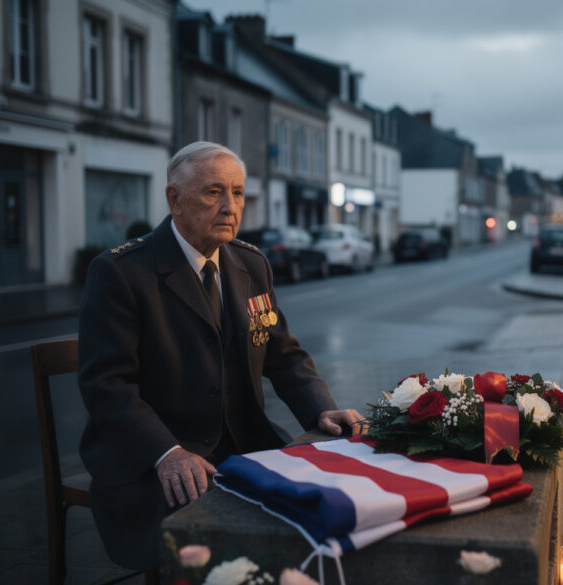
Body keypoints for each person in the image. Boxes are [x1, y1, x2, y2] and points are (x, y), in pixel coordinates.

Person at [78, 141, 366, 571]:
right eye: (214, 192)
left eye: (238, 193)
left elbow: (284, 355)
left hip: (244, 445)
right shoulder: (122, 273)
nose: (231, 206)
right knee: (220, 554)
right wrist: (166, 453)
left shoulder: (251, 265)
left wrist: (322, 410)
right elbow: (107, 385)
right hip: (156, 456)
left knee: (326, 517)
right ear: (175, 199)